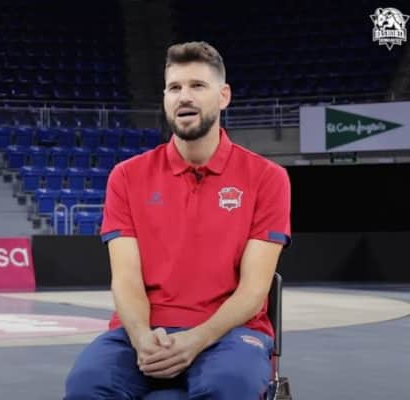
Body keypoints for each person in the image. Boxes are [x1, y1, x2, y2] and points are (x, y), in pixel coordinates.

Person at [64, 41, 291, 399]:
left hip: (231, 334)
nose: (184, 96)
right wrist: (141, 337)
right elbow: (125, 279)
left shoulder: (267, 177)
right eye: (174, 87)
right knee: (86, 386)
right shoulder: (126, 176)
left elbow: (253, 290)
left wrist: (197, 339)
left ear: (224, 96)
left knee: (228, 387)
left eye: (197, 85)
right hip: (142, 332)